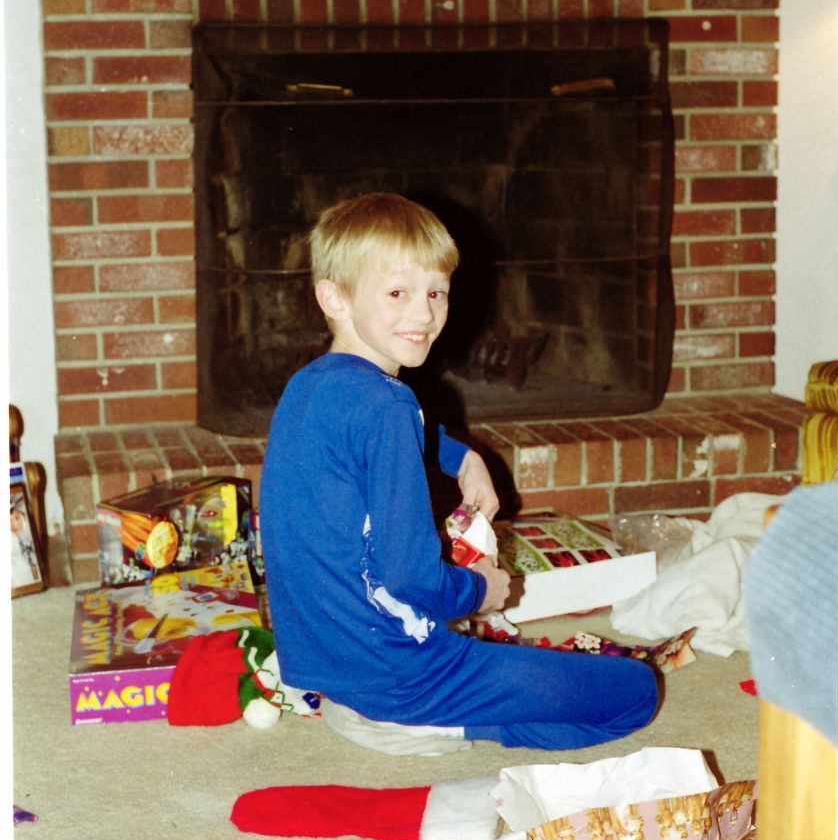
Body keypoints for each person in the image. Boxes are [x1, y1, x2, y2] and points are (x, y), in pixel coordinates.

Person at [260, 193, 658, 751]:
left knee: (556, 687)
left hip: (327, 661)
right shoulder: (387, 406)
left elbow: (391, 443)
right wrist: (480, 591)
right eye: (397, 293)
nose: (424, 314)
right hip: (400, 670)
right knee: (637, 690)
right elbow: (410, 578)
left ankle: (408, 714)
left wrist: (465, 459)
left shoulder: (311, 386)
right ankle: (428, 720)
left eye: (436, 292)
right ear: (335, 297)